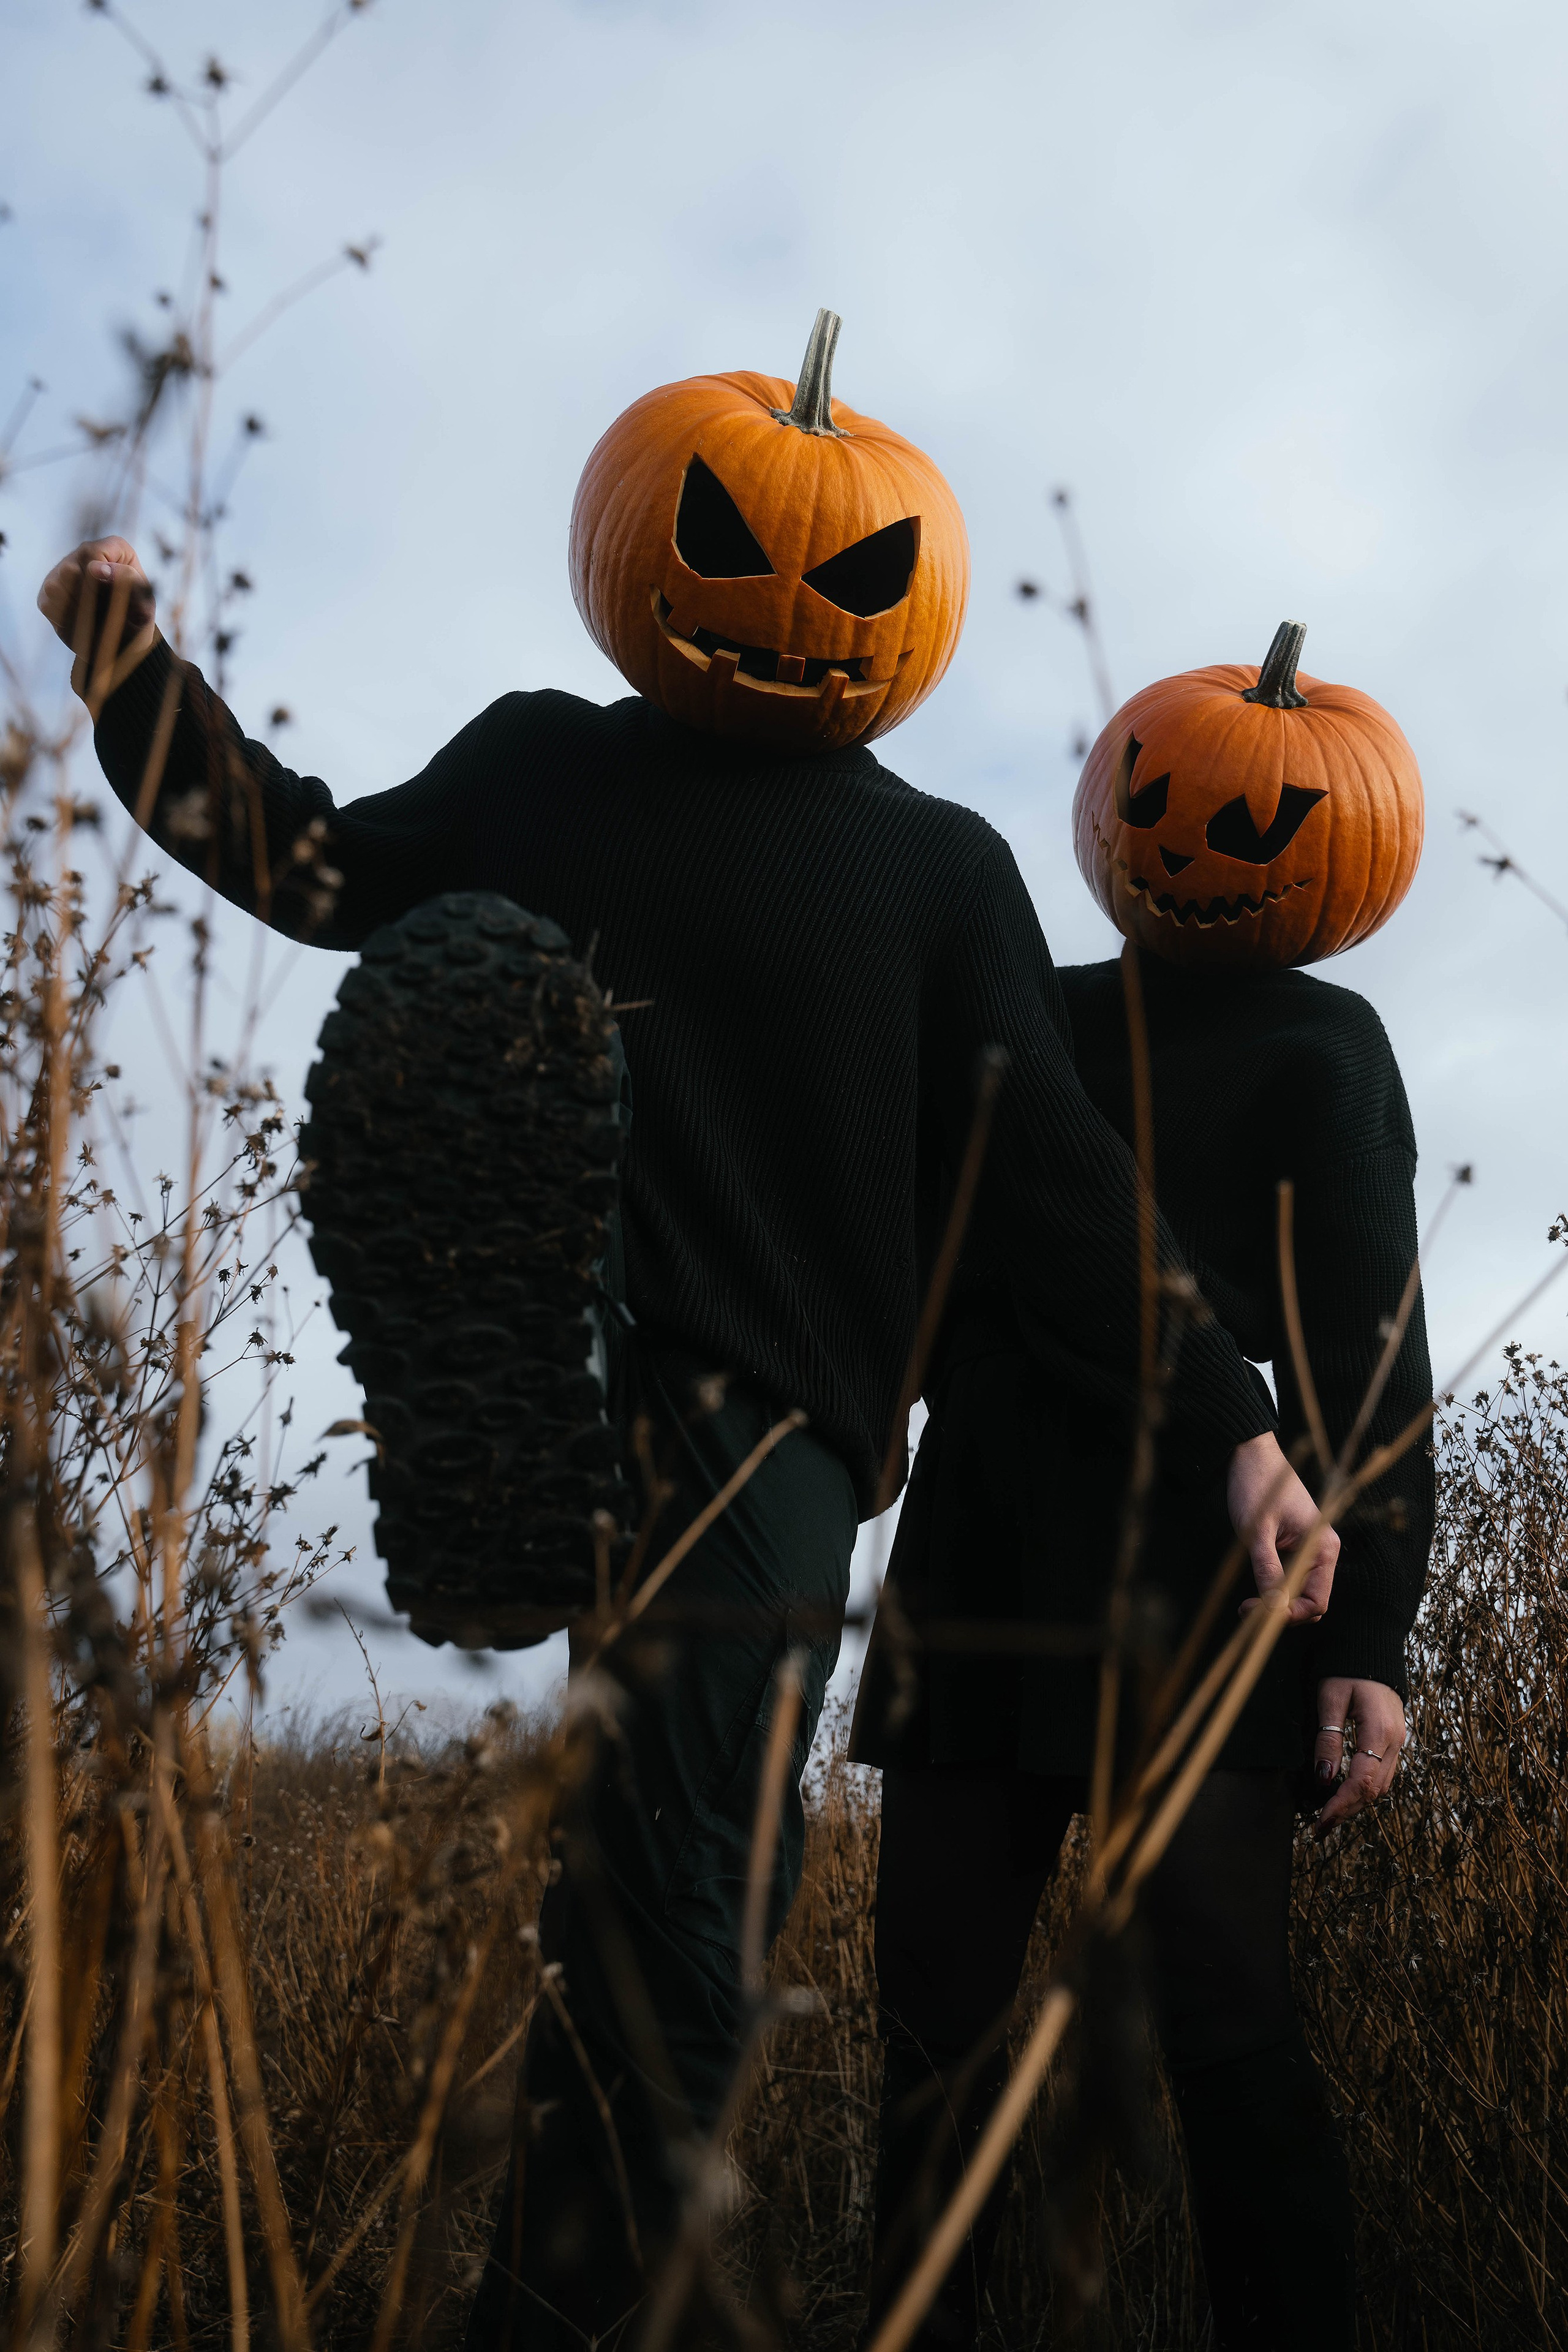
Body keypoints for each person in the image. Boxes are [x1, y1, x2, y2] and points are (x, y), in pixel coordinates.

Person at [37, 336, 1333, 2346]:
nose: (796, 593)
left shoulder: (937, 872)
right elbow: (314, 867)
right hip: (564, 1344)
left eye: (856, 569)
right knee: (643, 1887)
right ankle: (504, 1383)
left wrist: (1237, 1424)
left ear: (914, 610)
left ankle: (564, 2303)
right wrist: (129, 667)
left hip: (772, 1428)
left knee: (666, 1900)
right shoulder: (542, 764)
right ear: (640, 542)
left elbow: (1066, 1190)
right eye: (729, 535)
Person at [855, 625, 1433, 2352]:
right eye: (1159, 796)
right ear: (1111, 803)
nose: (1193, 841)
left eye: (1256, 825)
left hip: (1213, 1584)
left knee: (1228, 2024)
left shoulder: (1326, 1051)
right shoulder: (1027, 1017)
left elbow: (1371, 1365)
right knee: (935, 2033)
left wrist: (1372, 1638)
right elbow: (932, 1268)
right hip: (982, 1556)